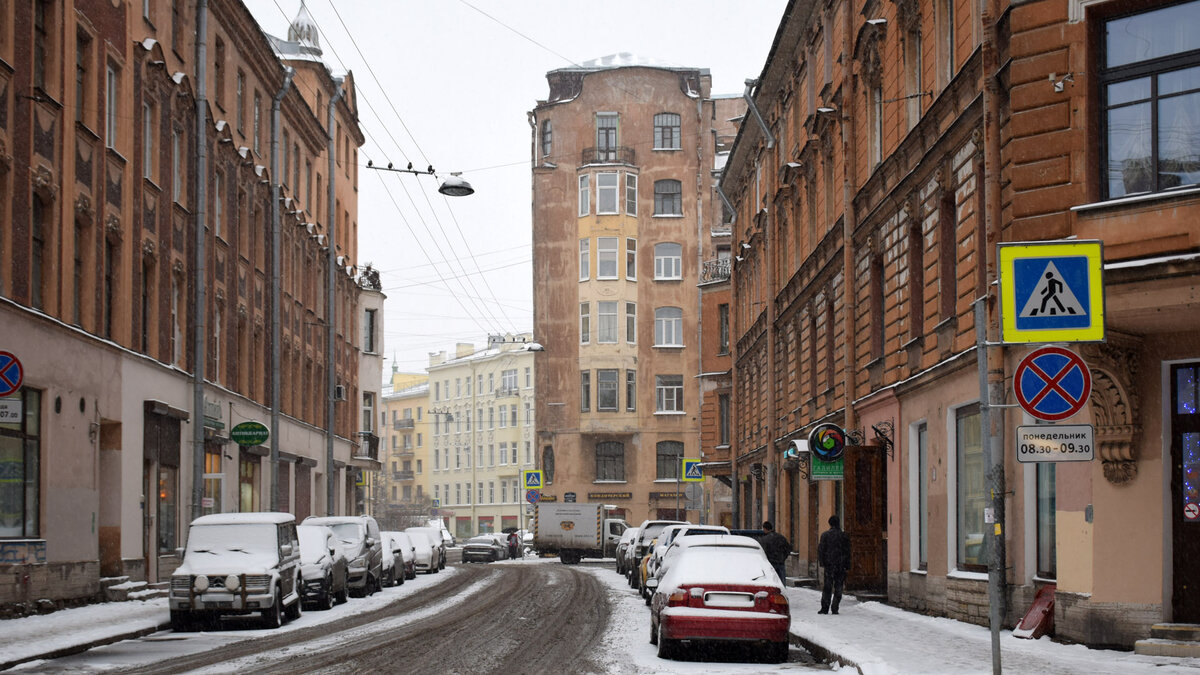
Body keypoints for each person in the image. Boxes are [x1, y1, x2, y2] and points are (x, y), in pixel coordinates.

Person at [817, 515, 852, 614]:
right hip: (841, 564)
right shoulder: (844, 536)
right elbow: (847, 551)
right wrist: (847, 565)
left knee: (827, 586)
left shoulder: (825, 535)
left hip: (829, 565)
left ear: (830, 524)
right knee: (839, 586)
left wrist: (822, 562)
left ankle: (825, 608)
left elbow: (821, 550)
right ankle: (835, 607)